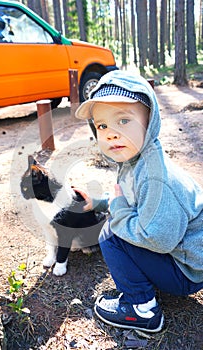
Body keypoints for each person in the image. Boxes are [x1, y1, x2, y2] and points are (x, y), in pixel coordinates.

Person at [75, 70, 203, 333]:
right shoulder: (136, 160)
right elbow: (131, 199)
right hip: (178, 254)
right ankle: (148, 281)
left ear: (150, 120)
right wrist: (99, 203)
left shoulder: (157, 178)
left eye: (124, 120)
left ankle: (142, 309)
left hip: (187, 271)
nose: (111, 134)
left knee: (110, 235)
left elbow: (158, 239)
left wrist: (117, 211)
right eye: (102, 125)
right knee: (117, 223)